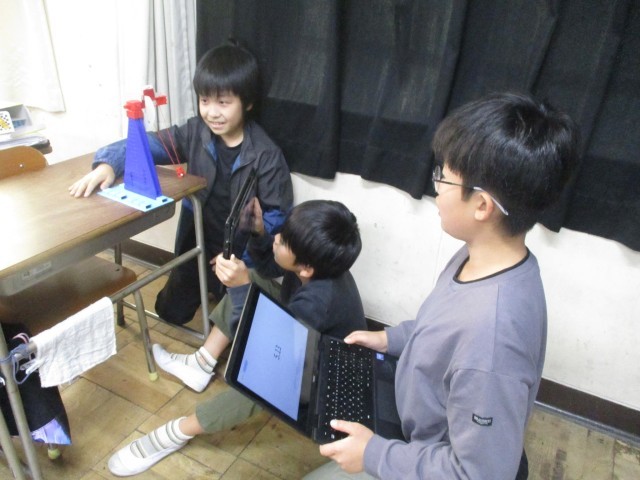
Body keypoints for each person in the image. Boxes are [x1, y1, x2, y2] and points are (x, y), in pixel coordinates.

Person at [304, 92, 579, 480]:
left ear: (482, 206)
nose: (436, 186)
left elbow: (478, 474)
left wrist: (374, 454)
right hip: (414, 425)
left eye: (444, 177)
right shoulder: (481, 257)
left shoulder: (493, 339)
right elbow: (441, 331)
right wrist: (391, 339)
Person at [107, 199, 369, 476]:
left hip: (323, 381)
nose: (277, 237)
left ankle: (178, 432)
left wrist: (241, 290)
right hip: (302, 339)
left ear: (305, 268)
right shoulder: (315, 267)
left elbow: (265, 346)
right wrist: (258, 233)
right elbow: (269, 269)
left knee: (257, 383)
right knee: (253, 279)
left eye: (283, 240)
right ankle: (202, 363)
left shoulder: (319, 301)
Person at [68, 41, 293, 326]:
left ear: (247, 103)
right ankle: (206, 288)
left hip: (238, 253)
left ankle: (219, 294)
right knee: (170, 312)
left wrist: (250, 246)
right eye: (205, 101)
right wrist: (108, 163)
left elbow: (278, 222)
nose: (212, 112)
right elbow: (150, 143)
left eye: (223, 103)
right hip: (196, 240)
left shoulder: (266, 155)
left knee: (233, 328)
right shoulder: (196, 132)